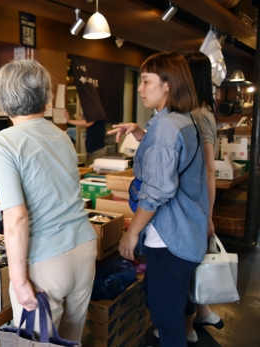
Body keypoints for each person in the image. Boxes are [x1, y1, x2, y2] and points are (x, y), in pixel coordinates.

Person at [0, 60, 98, 342]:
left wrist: (19, 280)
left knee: (33, 343)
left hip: (46, 262)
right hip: (84, 249)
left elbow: (16, 217)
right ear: (45, 100)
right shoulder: (62, 136)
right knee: (72, 338)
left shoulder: (2, 142)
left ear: (2, 102)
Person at [108, 51, 209, 347]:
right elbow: (169, 160)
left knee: (166, 318)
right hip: (186, 232)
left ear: (168, 84)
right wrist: (140, 134)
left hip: (169, 238)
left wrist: (132, 232)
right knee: (169, 306)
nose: (140, 89)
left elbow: (156, 192)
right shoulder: (180, 120)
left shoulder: (166, 127)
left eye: (146, 81)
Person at [182, 51, 224, 332]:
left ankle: (186, 329)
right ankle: (203, 312)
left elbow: (210, 169)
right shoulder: (202, 109)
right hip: (196, 201)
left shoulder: (199, 114)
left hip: (196, 202)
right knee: (193, 260)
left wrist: (208, 215)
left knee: (187, 262)